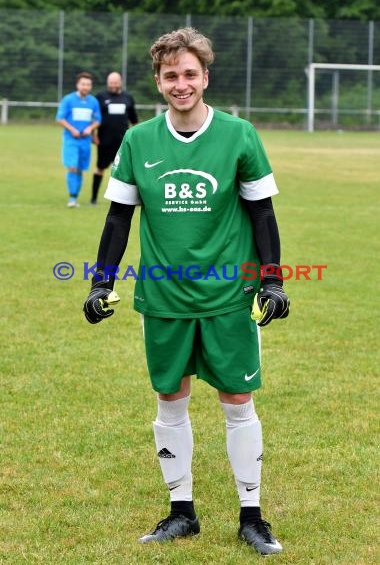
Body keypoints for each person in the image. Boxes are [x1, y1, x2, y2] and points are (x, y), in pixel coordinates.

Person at [83, 28, 290, 556]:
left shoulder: (239, 135)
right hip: (165, 298)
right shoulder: (138, 140)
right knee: (170, 400)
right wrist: (101, 281)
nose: (181, 84)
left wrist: (272, 278)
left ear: (205, 77)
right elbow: (118, 216)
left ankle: (252, 516)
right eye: (171, 75)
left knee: (238, 401)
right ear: (158, 81)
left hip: (225, 295)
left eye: (190, 74)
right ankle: (182, 512)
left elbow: (262, 212)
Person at [91, 72, 138, 205]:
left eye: (115, 82)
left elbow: (134, 120)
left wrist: (136, 138)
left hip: (123, 142)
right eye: (111, 82)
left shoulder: (128, 97)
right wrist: (93, 134)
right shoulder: (100, 97)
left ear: (120, 82)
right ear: (107, 82)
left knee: (123, 171)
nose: (113, 85)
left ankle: (121, 200)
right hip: (104, 140)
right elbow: (94, 118)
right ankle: (93, 199)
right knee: (100, 168)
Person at [56, 72, 101, 207]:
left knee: (80, 168)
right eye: (83, 84)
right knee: (73, 167)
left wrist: (90, 128)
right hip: (71, 140)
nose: (85, 87)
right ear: (77, 85)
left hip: (85, 141)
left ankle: (75, 196)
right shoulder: (68, 100)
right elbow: (60, 118)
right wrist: (72, 129)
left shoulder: (93, 101)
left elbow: (98, 120)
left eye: (88, 84)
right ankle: (72, 197)